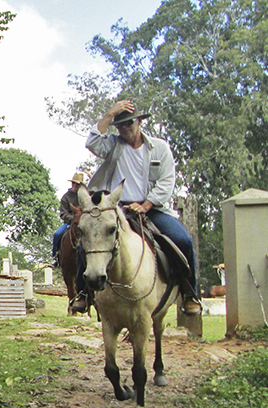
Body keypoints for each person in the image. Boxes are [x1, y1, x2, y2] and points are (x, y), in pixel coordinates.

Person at [71, 100, 201, 315]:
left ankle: (190, 293)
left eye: (128, 123)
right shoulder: (113, 144)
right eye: (120, 125)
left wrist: (146, 204)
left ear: (139, 122)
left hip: (152, 207)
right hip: (115, 207)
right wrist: (108, 114)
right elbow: (93, 144)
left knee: (183, 240)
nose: (124, 128)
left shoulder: (159, 148)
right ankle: (83, 292)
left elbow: (167, 181)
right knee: (86, 242)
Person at [52, 172, 85, 265]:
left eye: (77, 184)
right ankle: (55, 257)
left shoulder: (84, 197)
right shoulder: (66, 197)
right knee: (57, 234)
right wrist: (73, 218)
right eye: (74, 183)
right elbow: (62, 213)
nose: (75, 185)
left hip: (84, 223)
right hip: (70, 223)